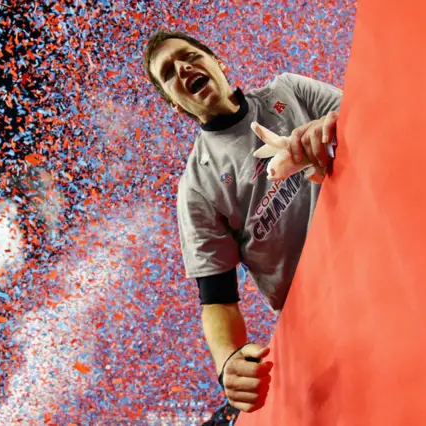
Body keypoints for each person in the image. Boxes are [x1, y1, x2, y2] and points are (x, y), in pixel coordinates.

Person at [143, 31, 342, 413]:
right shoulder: (196, 188)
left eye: (189, 56)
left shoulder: (290, 91)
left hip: (374, 250)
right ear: (172, 103)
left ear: (218, 63)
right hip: (319, 315)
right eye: (169, 73)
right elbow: (217, 297)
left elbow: (374, 118)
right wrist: (228, 363)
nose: (184, 68)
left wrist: (333, 125)